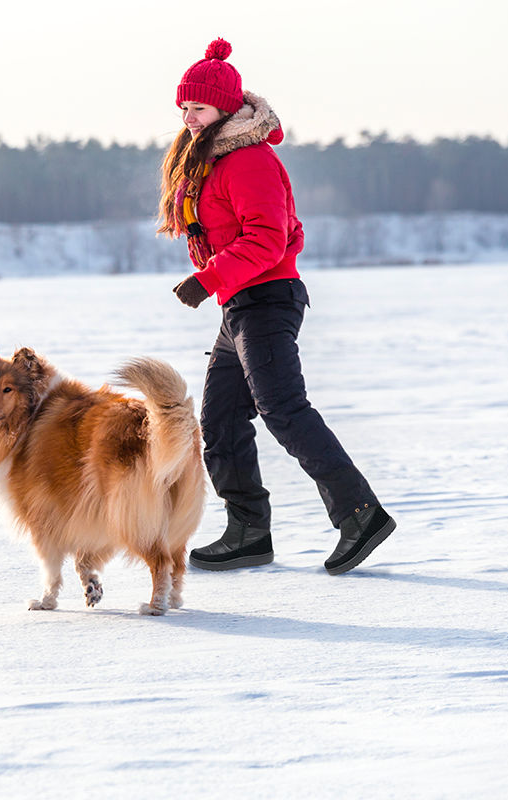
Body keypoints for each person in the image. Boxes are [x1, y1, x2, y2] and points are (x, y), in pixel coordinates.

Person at [160, 38, 395, 575]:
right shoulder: (212, 161)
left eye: (197, 108)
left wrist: (207, 278)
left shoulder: (248, 160)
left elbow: (269, 238)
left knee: (284, 411)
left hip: (266, 300)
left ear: (224, 107)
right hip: (240, 303)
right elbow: (283, 230)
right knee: (219, 420)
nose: (188, 118)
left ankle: (361, 514)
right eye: (184, 109)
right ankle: (248, 532)